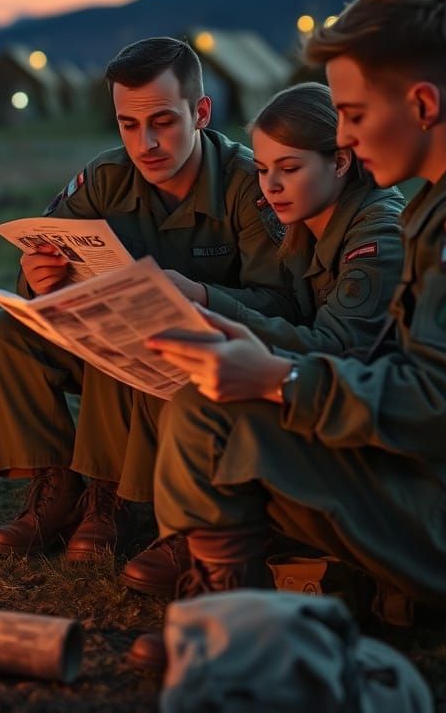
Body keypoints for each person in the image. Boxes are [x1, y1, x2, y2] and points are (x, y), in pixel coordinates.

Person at [143, 0, 446, 619]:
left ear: (423, 105)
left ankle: (233, 632)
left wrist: (280, 379)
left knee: (210, 414)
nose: (342, 138)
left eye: (355, 115)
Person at [0, 36, 296, 561]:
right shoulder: (107, 177)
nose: (145, 143)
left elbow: (283, 304)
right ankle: (58, 491)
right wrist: (38, 277)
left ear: (201, 113)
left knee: (127, 339)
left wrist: (201, 295)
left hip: (205, 355)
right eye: (128, 125)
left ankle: (112, 499)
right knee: (0, 336)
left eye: (162, 122)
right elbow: (45, 249)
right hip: (117, 340)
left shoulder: (245, 184)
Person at [120, 81, 406, 596]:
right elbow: (286, 308)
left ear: (341, 162)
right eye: (262, 169)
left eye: (289, 169)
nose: (270, 186)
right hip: (322, 397)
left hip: (373, 422)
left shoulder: (377, 236)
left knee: (205, 394)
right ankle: (197, 533)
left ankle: (213, 547)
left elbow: (333, 348)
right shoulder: (307, 221)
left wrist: (217, 314)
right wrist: (205, 303)